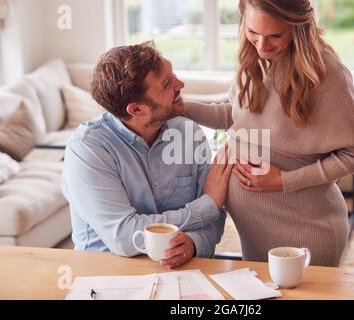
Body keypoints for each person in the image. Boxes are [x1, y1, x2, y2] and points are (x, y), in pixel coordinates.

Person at [175, 0, 354, 266]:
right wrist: (185, 108)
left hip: (306, 228)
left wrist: (285, 180)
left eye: (275, 36)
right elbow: (237, 116)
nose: (262, 45)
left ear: (299, 27)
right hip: (254, 230)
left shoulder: (327, 73)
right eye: (253, 33)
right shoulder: (255, 60)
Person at [61, 42, 232, 269]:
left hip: (181, 273)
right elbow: (125, 236)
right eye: (166, 84)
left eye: (173, 74)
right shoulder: (87, 149)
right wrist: (207, 205)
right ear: (137, 109)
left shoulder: (188, 133)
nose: (180, 84)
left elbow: (215, 214)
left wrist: (194, 242)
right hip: (106, 274)